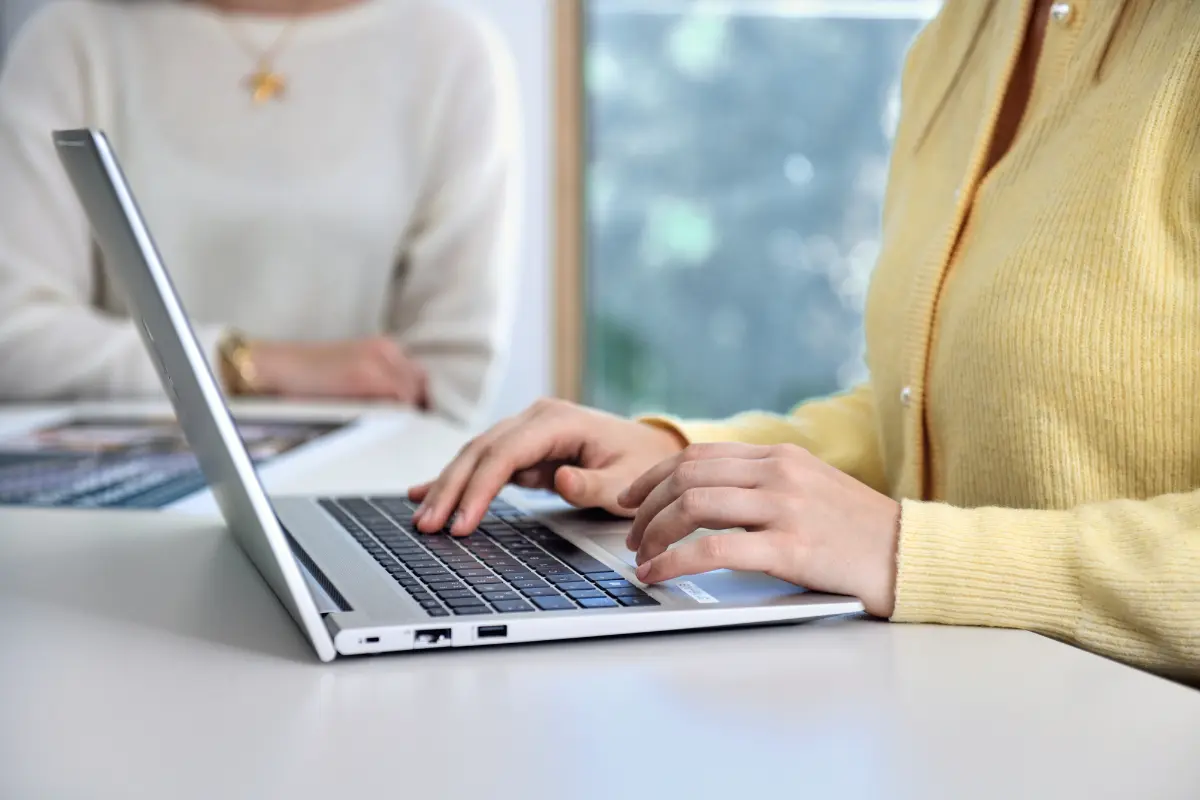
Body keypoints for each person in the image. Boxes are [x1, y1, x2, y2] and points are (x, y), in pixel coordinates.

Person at [410, 0, 1200, 682]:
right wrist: (686, 460)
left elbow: (918, 529)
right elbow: (929, 406)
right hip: (956, 712)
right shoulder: (966, 32)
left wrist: (911, 552)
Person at [0, 0, 519, 424]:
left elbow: (446, 389)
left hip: (361, 490)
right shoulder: (70, 41)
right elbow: (14, 338)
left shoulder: (452, 55)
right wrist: (252, 365)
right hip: (101, 493)